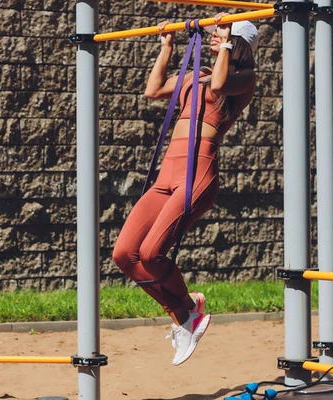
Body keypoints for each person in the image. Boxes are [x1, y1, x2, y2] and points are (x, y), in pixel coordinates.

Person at [112, 13, 259, 366]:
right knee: (125, 254)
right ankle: (185, 314)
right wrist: (166, 49)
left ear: (236, 41)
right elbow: (153, 90)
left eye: (221, 34)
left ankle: (187, 315)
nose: (212, 37)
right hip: (167, 173)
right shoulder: (197, 75)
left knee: (151, 254)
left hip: (197, 172)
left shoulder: (245, 78)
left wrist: (224, 43)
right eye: (213, 34)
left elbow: (221, 86)